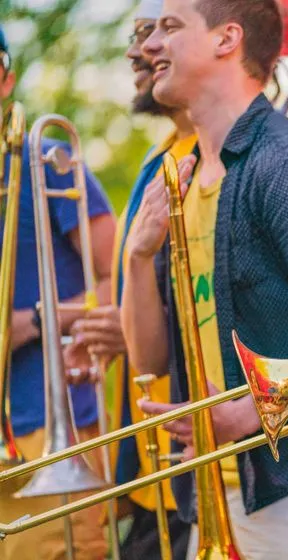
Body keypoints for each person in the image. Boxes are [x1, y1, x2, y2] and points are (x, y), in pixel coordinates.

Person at [120, 0, 288, 557]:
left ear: (227, 39)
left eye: (171, 28)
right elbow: (148, 362)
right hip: (222, 492)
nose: (149, 45)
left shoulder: (285, 164)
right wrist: (135, 257)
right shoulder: (182, 179)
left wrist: (245, 414)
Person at [62, 1, 196, 557]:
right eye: (140, 33)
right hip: (150, 472)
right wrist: (110, 335)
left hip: (194, 462)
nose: (135, 51)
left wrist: (132, 328)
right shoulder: (156, 158)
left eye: (154, 32)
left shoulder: (210, 156)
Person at [0, 23, 116, 560]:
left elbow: (116, 282)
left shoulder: (47, 161)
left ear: (7, 80)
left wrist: (35, 321)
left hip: (46, 423)